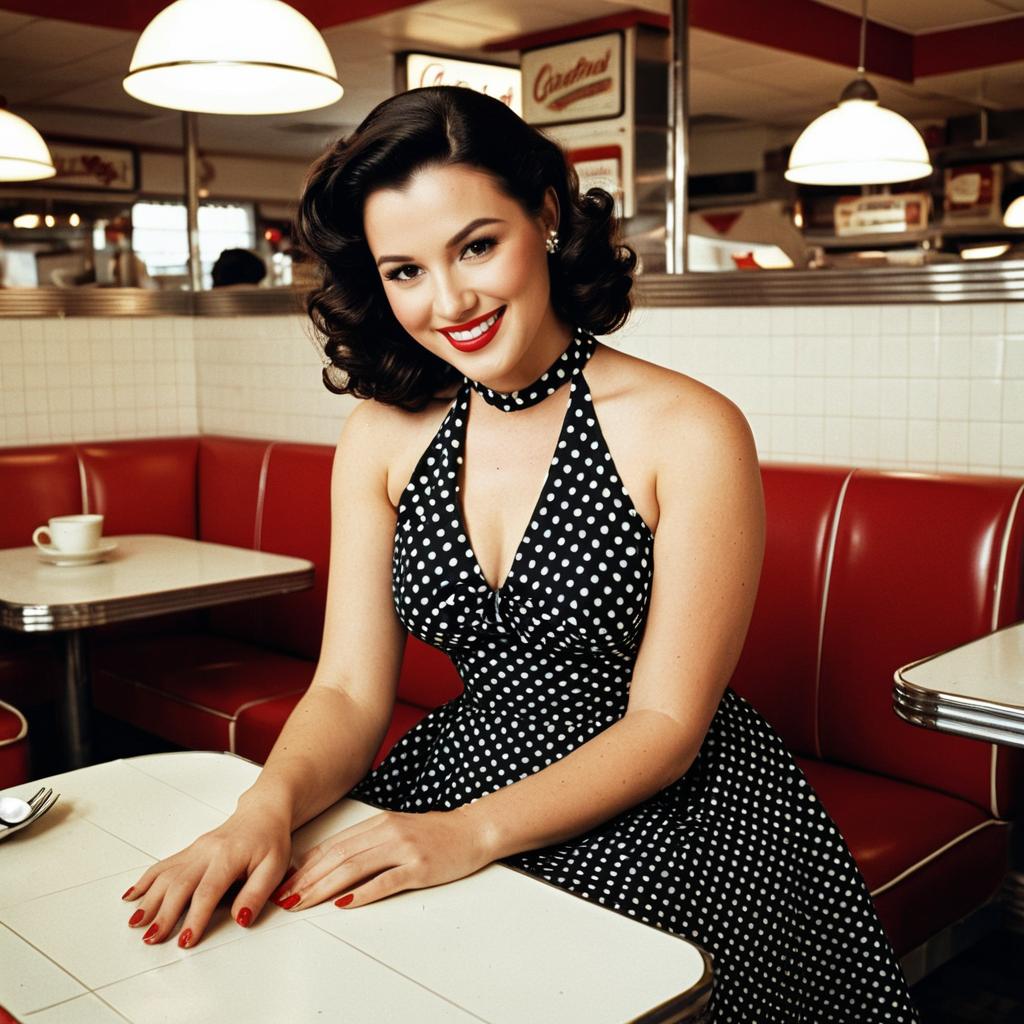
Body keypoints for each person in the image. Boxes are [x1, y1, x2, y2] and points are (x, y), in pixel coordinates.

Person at [120, 86, 920, 1022]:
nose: (448, 301)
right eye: (405, 270)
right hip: (459, 765)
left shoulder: (691, 429)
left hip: (662, 805)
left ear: (544, 215)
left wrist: (466, 835)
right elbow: (345, 690)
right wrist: (264, 807)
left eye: (476, 246)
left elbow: (665, 726)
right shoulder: (382, 435)